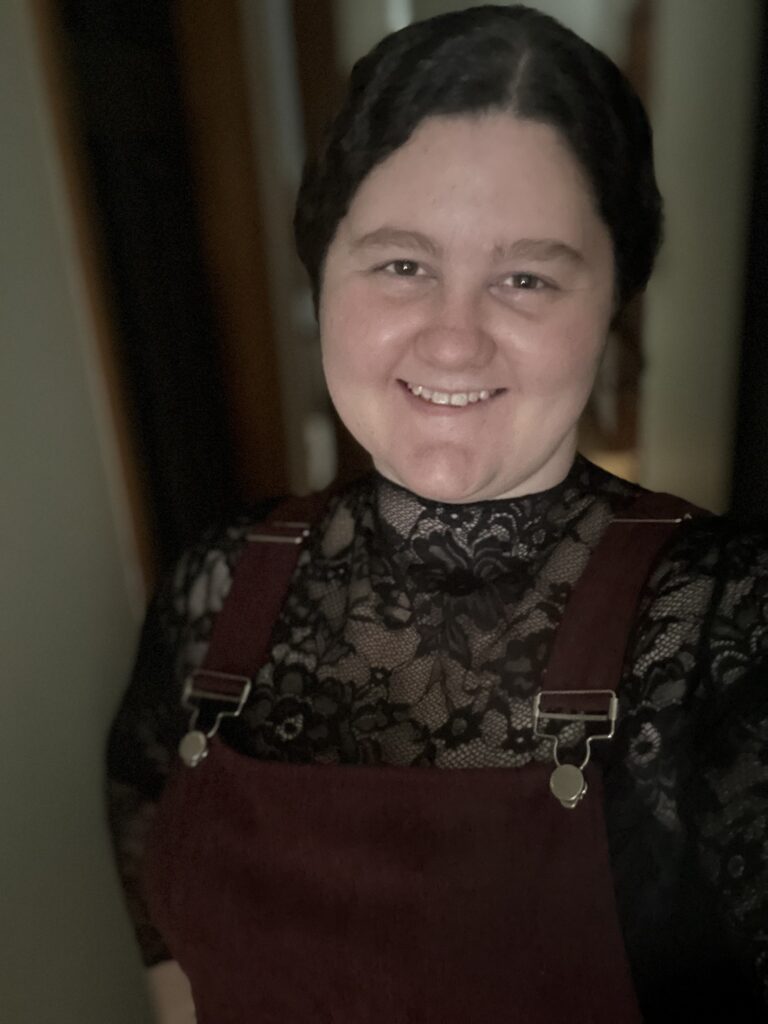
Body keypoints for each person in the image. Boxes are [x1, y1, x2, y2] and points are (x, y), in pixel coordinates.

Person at [107, 4, 768, 1021]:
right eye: (403, 264)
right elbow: (146, 848)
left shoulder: (725, 621)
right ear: (322, 272)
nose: (454, 341)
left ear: (611, 304)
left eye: (526, 277)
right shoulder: (219, 576)